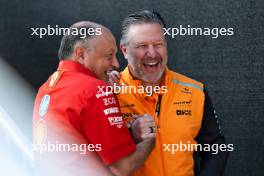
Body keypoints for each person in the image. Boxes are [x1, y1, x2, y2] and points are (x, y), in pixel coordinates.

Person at [109, 10, 229, 176]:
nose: (152, 53)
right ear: (124, 50)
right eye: (142, 46)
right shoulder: (107, 92)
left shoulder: (195, 91)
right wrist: (131, 135)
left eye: (158, 44)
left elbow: (215, 148)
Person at [32, 21, 156, 176]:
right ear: (81, 54)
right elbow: (122, 167)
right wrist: (149, 140)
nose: (116, 63)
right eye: (109, 56)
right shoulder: (94, 89)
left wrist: (129, 133)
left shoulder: (45, 89)